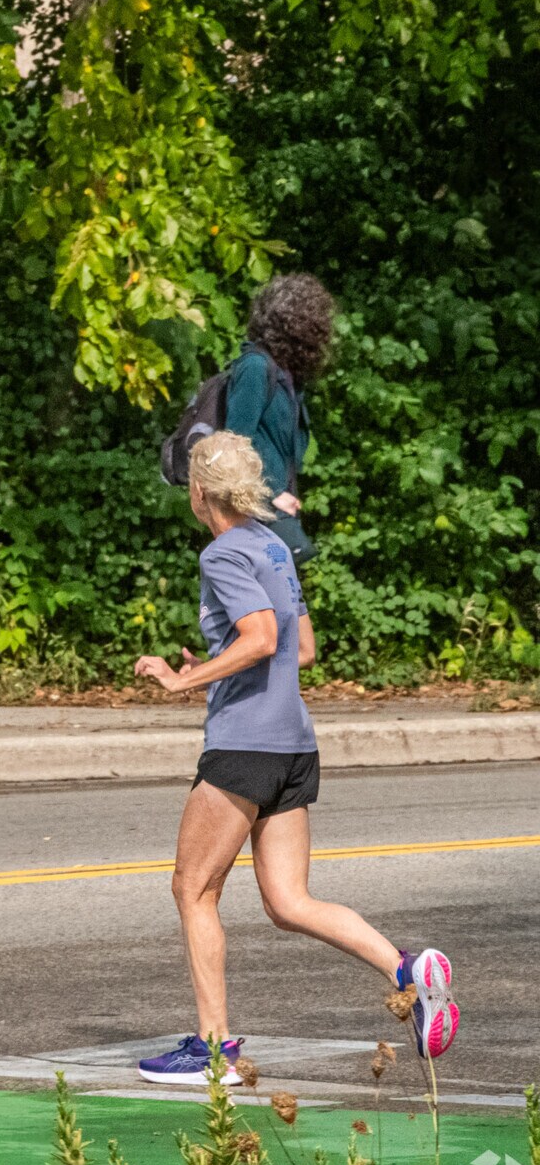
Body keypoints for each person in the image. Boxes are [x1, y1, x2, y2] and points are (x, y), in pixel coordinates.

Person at [130, 431, 456, 1084]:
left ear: (198, 493)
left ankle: (213, 1048)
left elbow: (263, 635)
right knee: (288, 900)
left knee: (192, 887)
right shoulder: (274, 545)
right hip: (293, 745)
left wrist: (181, 679)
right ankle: (407, 970)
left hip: (244, 745)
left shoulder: (221, 551)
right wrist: (217, 662)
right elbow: (299, 645)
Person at [226, 274, 334, 563]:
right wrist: (271, 495)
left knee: (284, 599)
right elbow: (233, 445)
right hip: (255, 509)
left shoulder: (284, 373)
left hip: (274, 509)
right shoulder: (255, 368)